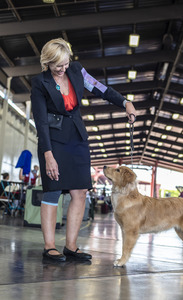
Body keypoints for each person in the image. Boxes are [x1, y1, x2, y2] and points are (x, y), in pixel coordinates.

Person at [31, 38, 137, 262]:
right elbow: (40, 122)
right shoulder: (40, 83)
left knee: (80, 191)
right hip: (53, 140)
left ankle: (71, 246)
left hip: (77, 138)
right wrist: (48, 155)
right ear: (47, 63)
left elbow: (100, 88)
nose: (63, 69)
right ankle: (49, 246)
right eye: (58, 65)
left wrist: (125, 102)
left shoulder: (77, 70)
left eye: (66, 63)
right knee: (52, 190)